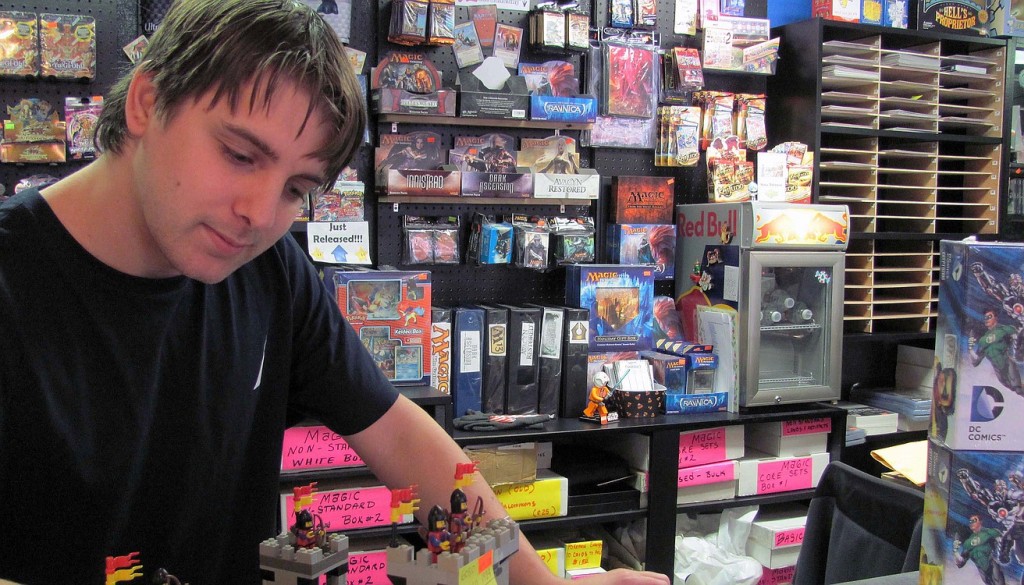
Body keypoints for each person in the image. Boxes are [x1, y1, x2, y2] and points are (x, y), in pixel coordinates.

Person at [0, 1, 670, 584]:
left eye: (296, 188)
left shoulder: (270, 273)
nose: (259, 213)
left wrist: (533, 581)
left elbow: (407, 442)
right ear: (148, 102)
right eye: (240, 154)